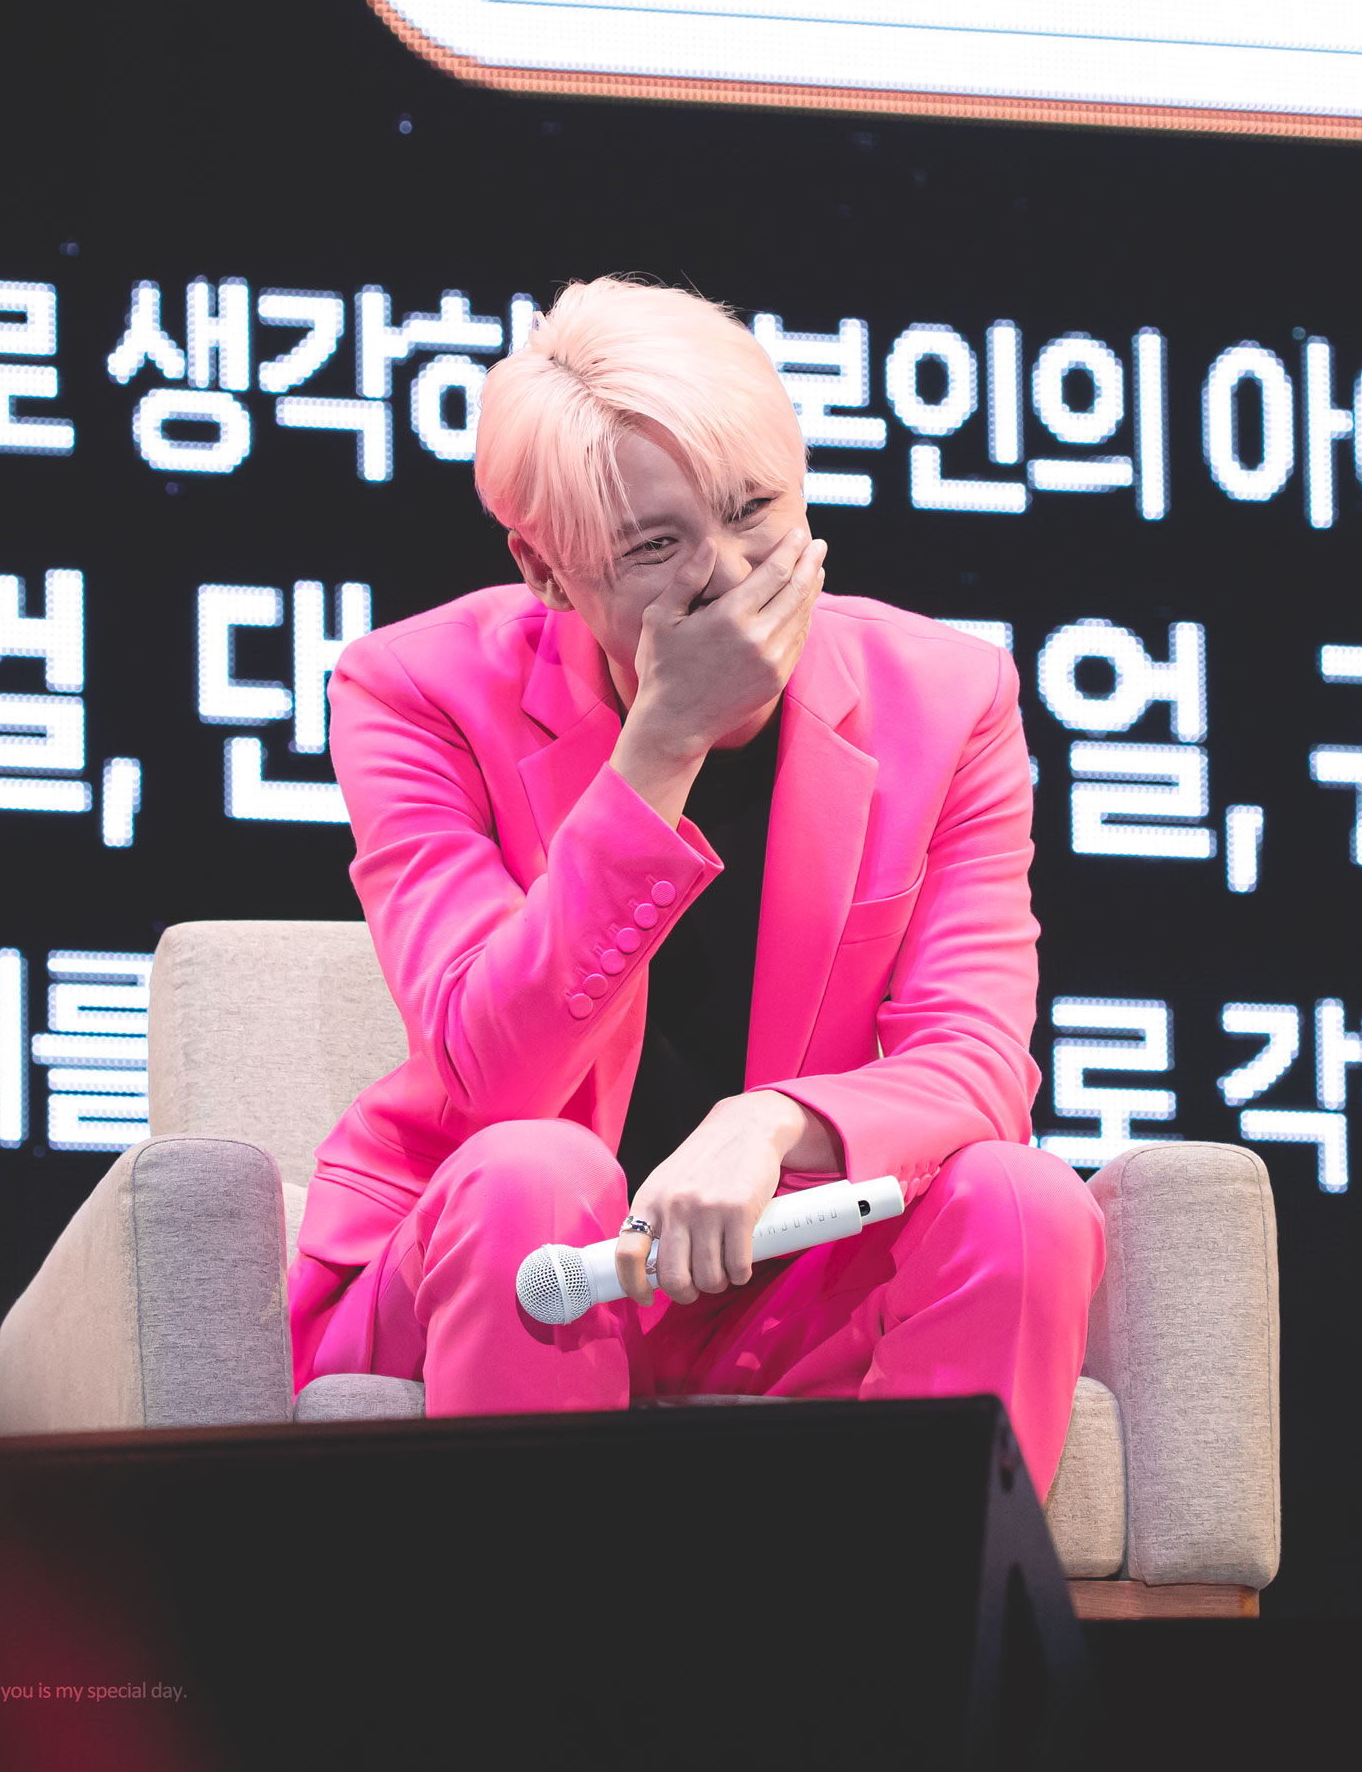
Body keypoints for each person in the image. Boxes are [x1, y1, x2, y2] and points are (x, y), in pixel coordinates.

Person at [286, 278, 1102, 1493]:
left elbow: (977, 1064)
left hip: (779, 1268)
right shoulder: (413, 689)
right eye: (654, 548)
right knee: (535, 1170)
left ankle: (928, 1611)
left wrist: (767, 1124)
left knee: (1023, 1198)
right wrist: (661, 743)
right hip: (508, 1260)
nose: (726, 581)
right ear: (546, 569)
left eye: (754, 510)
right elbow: (491, 1071)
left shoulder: (951, 696)